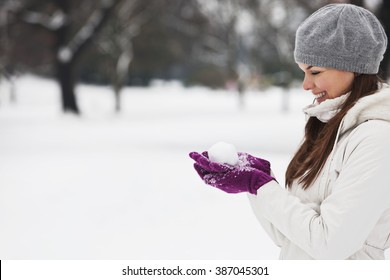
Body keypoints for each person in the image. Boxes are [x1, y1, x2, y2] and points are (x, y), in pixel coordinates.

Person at [189, 4, 390, 260]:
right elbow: (288, 237)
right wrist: (259, 180)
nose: (306, 85)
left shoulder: (378, 139)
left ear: (355, 67)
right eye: (303, 72)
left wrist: (260, 186)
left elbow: (330, 245)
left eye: (315, 72)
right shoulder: (325, 128)